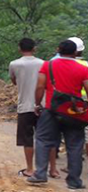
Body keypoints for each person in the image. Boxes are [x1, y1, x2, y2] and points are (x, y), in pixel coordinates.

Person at [27, 39, 88, 189]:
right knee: (74, 146)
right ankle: (74, 181)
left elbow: (40, 86)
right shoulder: (82, 69)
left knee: (42, 140)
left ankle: (40, 174)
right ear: (75, 53)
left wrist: (37, 104)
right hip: (73, 112)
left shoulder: (48, 65)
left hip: (51, 110)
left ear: (57, 49)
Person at [9, 38, 47, 178]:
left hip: (24, 106)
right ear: (34, 48)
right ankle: (44, 169)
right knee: (43, 138)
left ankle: (30, 169)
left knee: (27, 138)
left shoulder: (14, 64)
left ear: (19, 49)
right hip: (42, 105)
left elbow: (14, 81)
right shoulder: (44, 63)